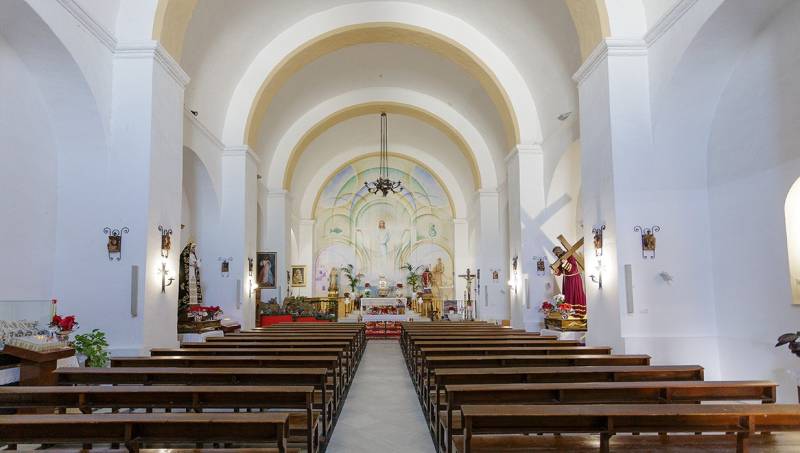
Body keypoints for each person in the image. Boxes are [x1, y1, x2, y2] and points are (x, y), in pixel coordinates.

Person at [552, 246, 586, 313]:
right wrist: (556, 270)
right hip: (567, 279)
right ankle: (568, 311)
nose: (556, 255)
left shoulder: (570, 255)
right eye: (555, 254)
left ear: (559, 251)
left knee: (574, 294)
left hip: (574, 279)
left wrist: (565, 263)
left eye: (557, 253)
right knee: (567, 295)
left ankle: (577, 312)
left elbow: (573, 269)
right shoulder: (560, 258)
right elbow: (560, 271)